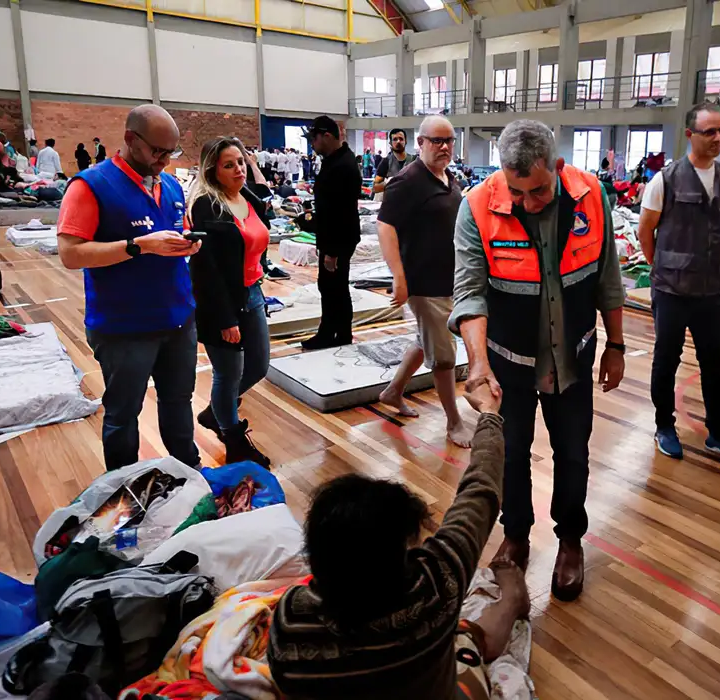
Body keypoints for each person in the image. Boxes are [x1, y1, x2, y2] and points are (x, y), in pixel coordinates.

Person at [268, 376, 530, 699]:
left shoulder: (290, 622)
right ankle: (513, 597)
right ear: (399, 556)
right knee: (466, 637)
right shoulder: (436, 585)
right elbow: (481, 490)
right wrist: (489, 413)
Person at [450, 119, 626, 596]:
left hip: (573, 358)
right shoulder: (477, 207)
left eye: (539, 191)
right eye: (516, 191)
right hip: (509, 362)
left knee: (573, 453)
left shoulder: (591, 195)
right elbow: (468, 293)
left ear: (558, 167)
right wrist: (479, 363)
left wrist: (616, 344)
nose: (526, 203)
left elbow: (608, 275)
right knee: (511, 455)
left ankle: (570, 539)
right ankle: (515, 536)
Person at [56, 105, 202, 471]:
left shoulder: (169, 185)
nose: (165, 161)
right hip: (124, 326)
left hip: (177, 318)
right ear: (130, 140)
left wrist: (188, 244)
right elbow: (71, 254)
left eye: (171, 153)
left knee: (178, 402)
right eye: (157, 151)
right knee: (123, 414)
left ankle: (189, 472)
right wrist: (138, 245)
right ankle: (123, 487)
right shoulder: (90, 185)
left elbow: (175, 231)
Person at [638, 103, 720, 469]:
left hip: (711, 291)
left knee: (714, 364)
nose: (718, 138)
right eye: (709, 132)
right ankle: (663, 427)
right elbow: (645, 231)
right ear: (690, 135)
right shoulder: (665, 179)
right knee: (666, 361)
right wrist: (661, 268)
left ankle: (719, 434)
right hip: (671, 290)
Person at [375, 116, 471, 448]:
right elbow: (384, 227)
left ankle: (392, 391)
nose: (444, 147)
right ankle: (454, 423)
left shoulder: (447, 177)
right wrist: (399, 277)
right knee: (444, 356)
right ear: (420, 143)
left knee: (424, 339)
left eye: (449, 141)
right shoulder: (408, 181)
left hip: (449, 279)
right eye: (436, 141)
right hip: (424, 282)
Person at [186, 137, 273, 467]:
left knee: (258, 365)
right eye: (229, 165)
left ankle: (216, 413)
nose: (238, 169)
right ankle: (234, 441)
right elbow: (206, 271)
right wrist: (225, 320)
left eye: (240, 162)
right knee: (228, 373)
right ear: (212, 170)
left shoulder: (244, 197)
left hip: (252, 293)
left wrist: (251, 171)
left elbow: (262, 215)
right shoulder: (206, 206)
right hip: (220, 304)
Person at [297, 116, 362, 350]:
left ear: (327, 136)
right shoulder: (334, 160)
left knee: (333, 287)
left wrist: (332, 251)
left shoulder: (343, 166)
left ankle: (332, 334)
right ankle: (339, 333)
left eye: (313, 139)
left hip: (339, 239)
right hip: (334, 236)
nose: (312, 144)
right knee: (332, 287)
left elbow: (341, 213)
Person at [373, 129, 412, 198]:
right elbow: (375, 188)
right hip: (391, 203)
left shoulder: (414, 161)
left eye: (401, 139)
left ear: (406, 141)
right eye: (395, 139)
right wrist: (388, 183)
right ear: (390, 143)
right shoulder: (385, 162)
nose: (398, 141)